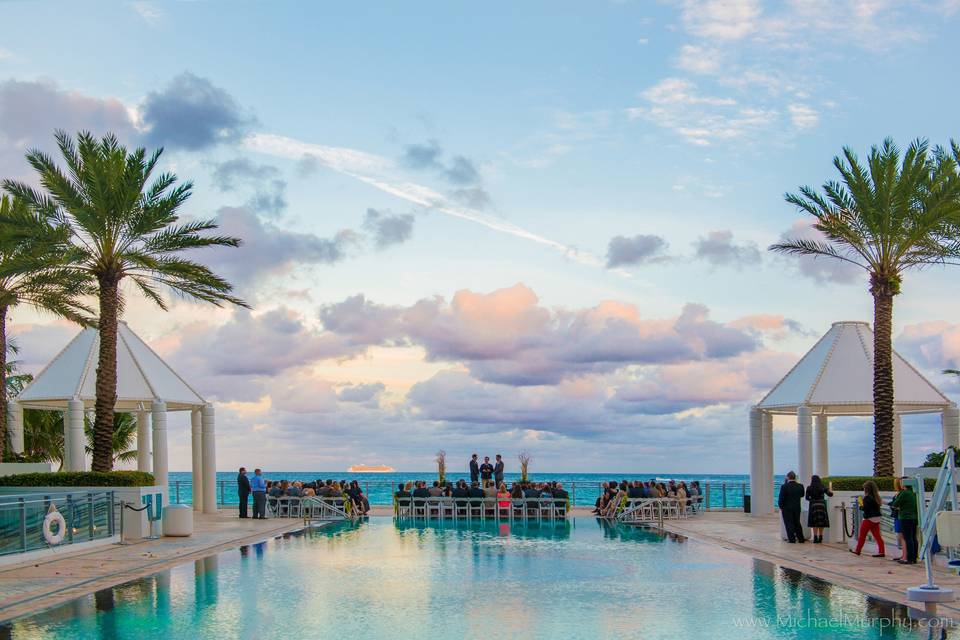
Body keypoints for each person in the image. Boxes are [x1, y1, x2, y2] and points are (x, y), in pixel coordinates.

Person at [852, 481, 885, 557]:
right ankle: (882, 551)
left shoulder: (867, 498)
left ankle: (858, 550)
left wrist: (861, 506)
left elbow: (865, 508)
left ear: (866, 489)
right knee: (878, 536)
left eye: (864, 488)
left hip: (869, 519)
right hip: (877, 519)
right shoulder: (876, 497)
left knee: (862, 536)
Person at [891, 479, 919, 564]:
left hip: (905, 517)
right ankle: (914, 558)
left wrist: (894, 506)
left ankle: (909, 558)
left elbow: (895, 503)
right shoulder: (914, 493)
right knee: (913, 537)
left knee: (907, 538)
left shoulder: (904, 493)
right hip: (914, 517)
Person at [778, 471, 806, 543]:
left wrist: (781, 506)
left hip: (787, 508)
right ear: (795, 477)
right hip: (797, 507)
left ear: (788, 477)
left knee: (788, 523)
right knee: (797, 523)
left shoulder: (784, 486)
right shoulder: (800, 486)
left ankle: (792, 539)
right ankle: (801, 538)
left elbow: (781, 498)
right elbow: (802, 495)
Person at [805, 475, 833, 543]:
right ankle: (820, 536)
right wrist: (830, 489)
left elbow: (807, 498)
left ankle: (815, 537)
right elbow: (830, 494)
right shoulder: (822, 487)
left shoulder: (809, 487)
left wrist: (812, 500)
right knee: (821, 521)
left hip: (813, 505)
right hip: (821, 505)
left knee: (814, 521)